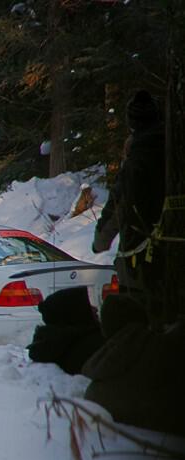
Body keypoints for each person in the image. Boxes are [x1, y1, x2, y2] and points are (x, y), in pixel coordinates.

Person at [92, 89, 166, 316]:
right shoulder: (172, 147)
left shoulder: (138, 157)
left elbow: (119, 204)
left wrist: (100, 241)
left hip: (142, 259)